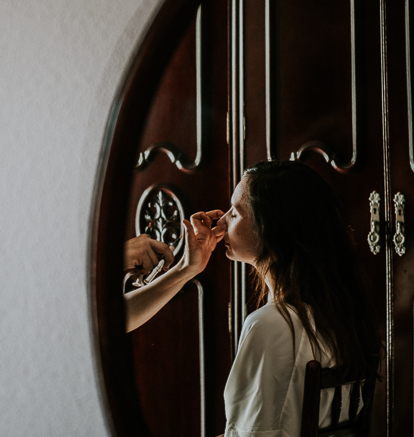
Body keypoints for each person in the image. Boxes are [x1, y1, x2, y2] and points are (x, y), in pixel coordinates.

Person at [124, 160, 381, 436]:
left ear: (272, 229)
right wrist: (186, 269)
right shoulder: (343, 318)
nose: (220, 222)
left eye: (234, 213)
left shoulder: (270, 326)